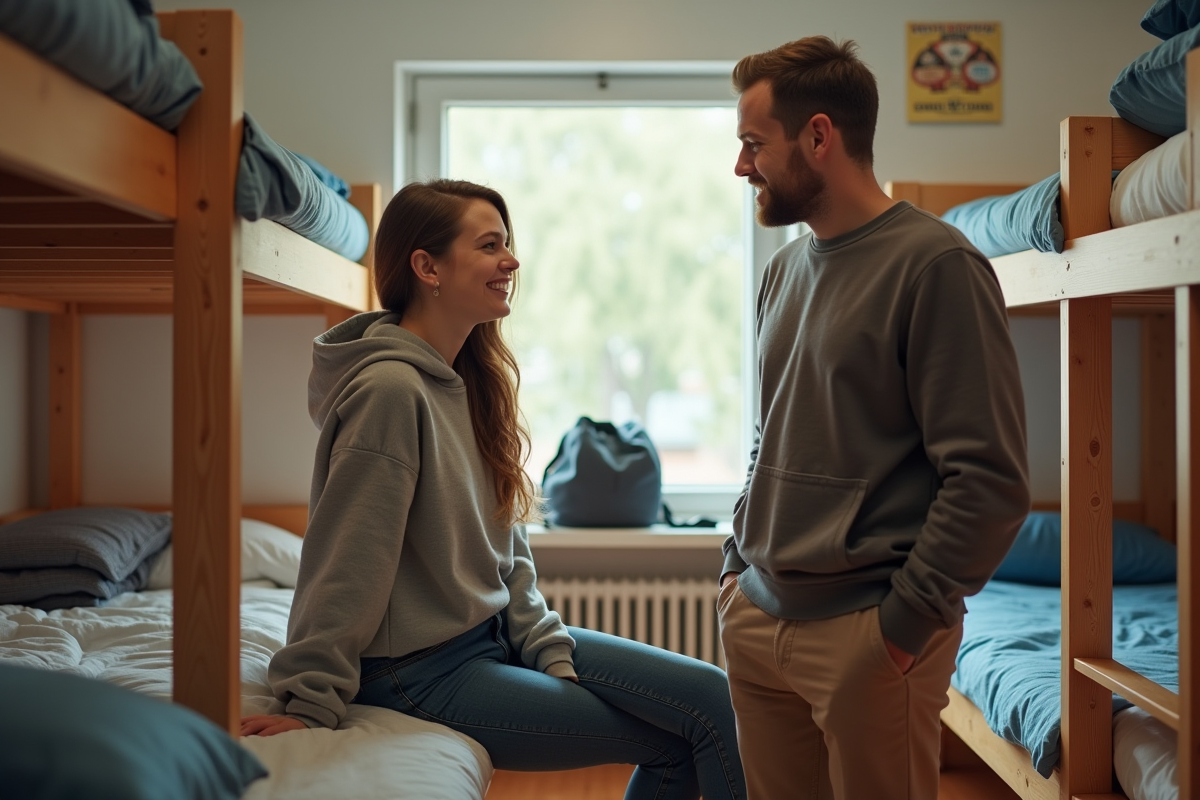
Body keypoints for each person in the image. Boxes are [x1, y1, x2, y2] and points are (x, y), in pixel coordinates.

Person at [240, 179, 746, 800]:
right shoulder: (391, 394)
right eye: (489, 246)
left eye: (507, 244)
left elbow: (507, 550)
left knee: (710, 698)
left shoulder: (468, 385)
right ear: (426, 266)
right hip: (415, 671)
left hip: (489, 638)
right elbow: (348, 559)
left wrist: (542, 645)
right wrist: (310, 700)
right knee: (681, 739)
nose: (511, 261)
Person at [719, 37, 1030, 800]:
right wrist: (735, 563)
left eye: (753, 144)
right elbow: (772, 437)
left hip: (868, 635)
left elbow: (988, 478)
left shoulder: (937, 266)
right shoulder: (783, 271)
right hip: (755, 615)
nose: (740, 167)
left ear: (818, 136)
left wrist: (901, 628)